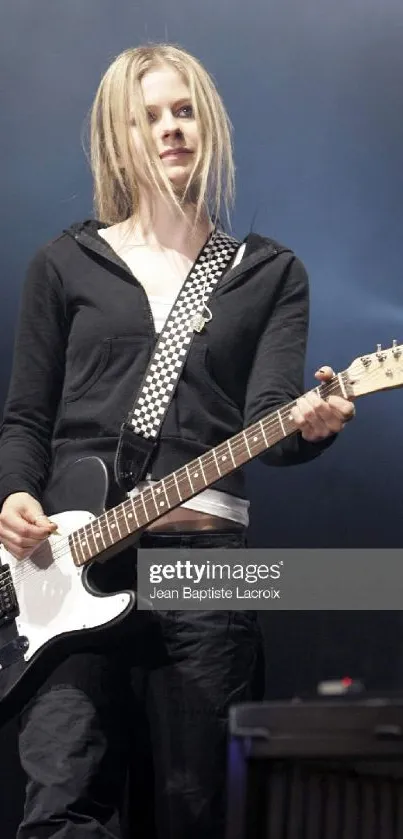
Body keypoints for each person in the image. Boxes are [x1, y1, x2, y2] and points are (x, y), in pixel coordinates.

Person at [0, 44, 355, 839]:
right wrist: (16, 495)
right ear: (117, 136)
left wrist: (313, 424)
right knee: (62, 804)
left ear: (209, 126)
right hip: (69, 567)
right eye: (148, 116)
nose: (169, 129)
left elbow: (272, 416)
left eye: (183, 110)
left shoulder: (265, 271)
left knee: (199, 810)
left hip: (205, 571)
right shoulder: (65, 263)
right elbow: (26, 418)